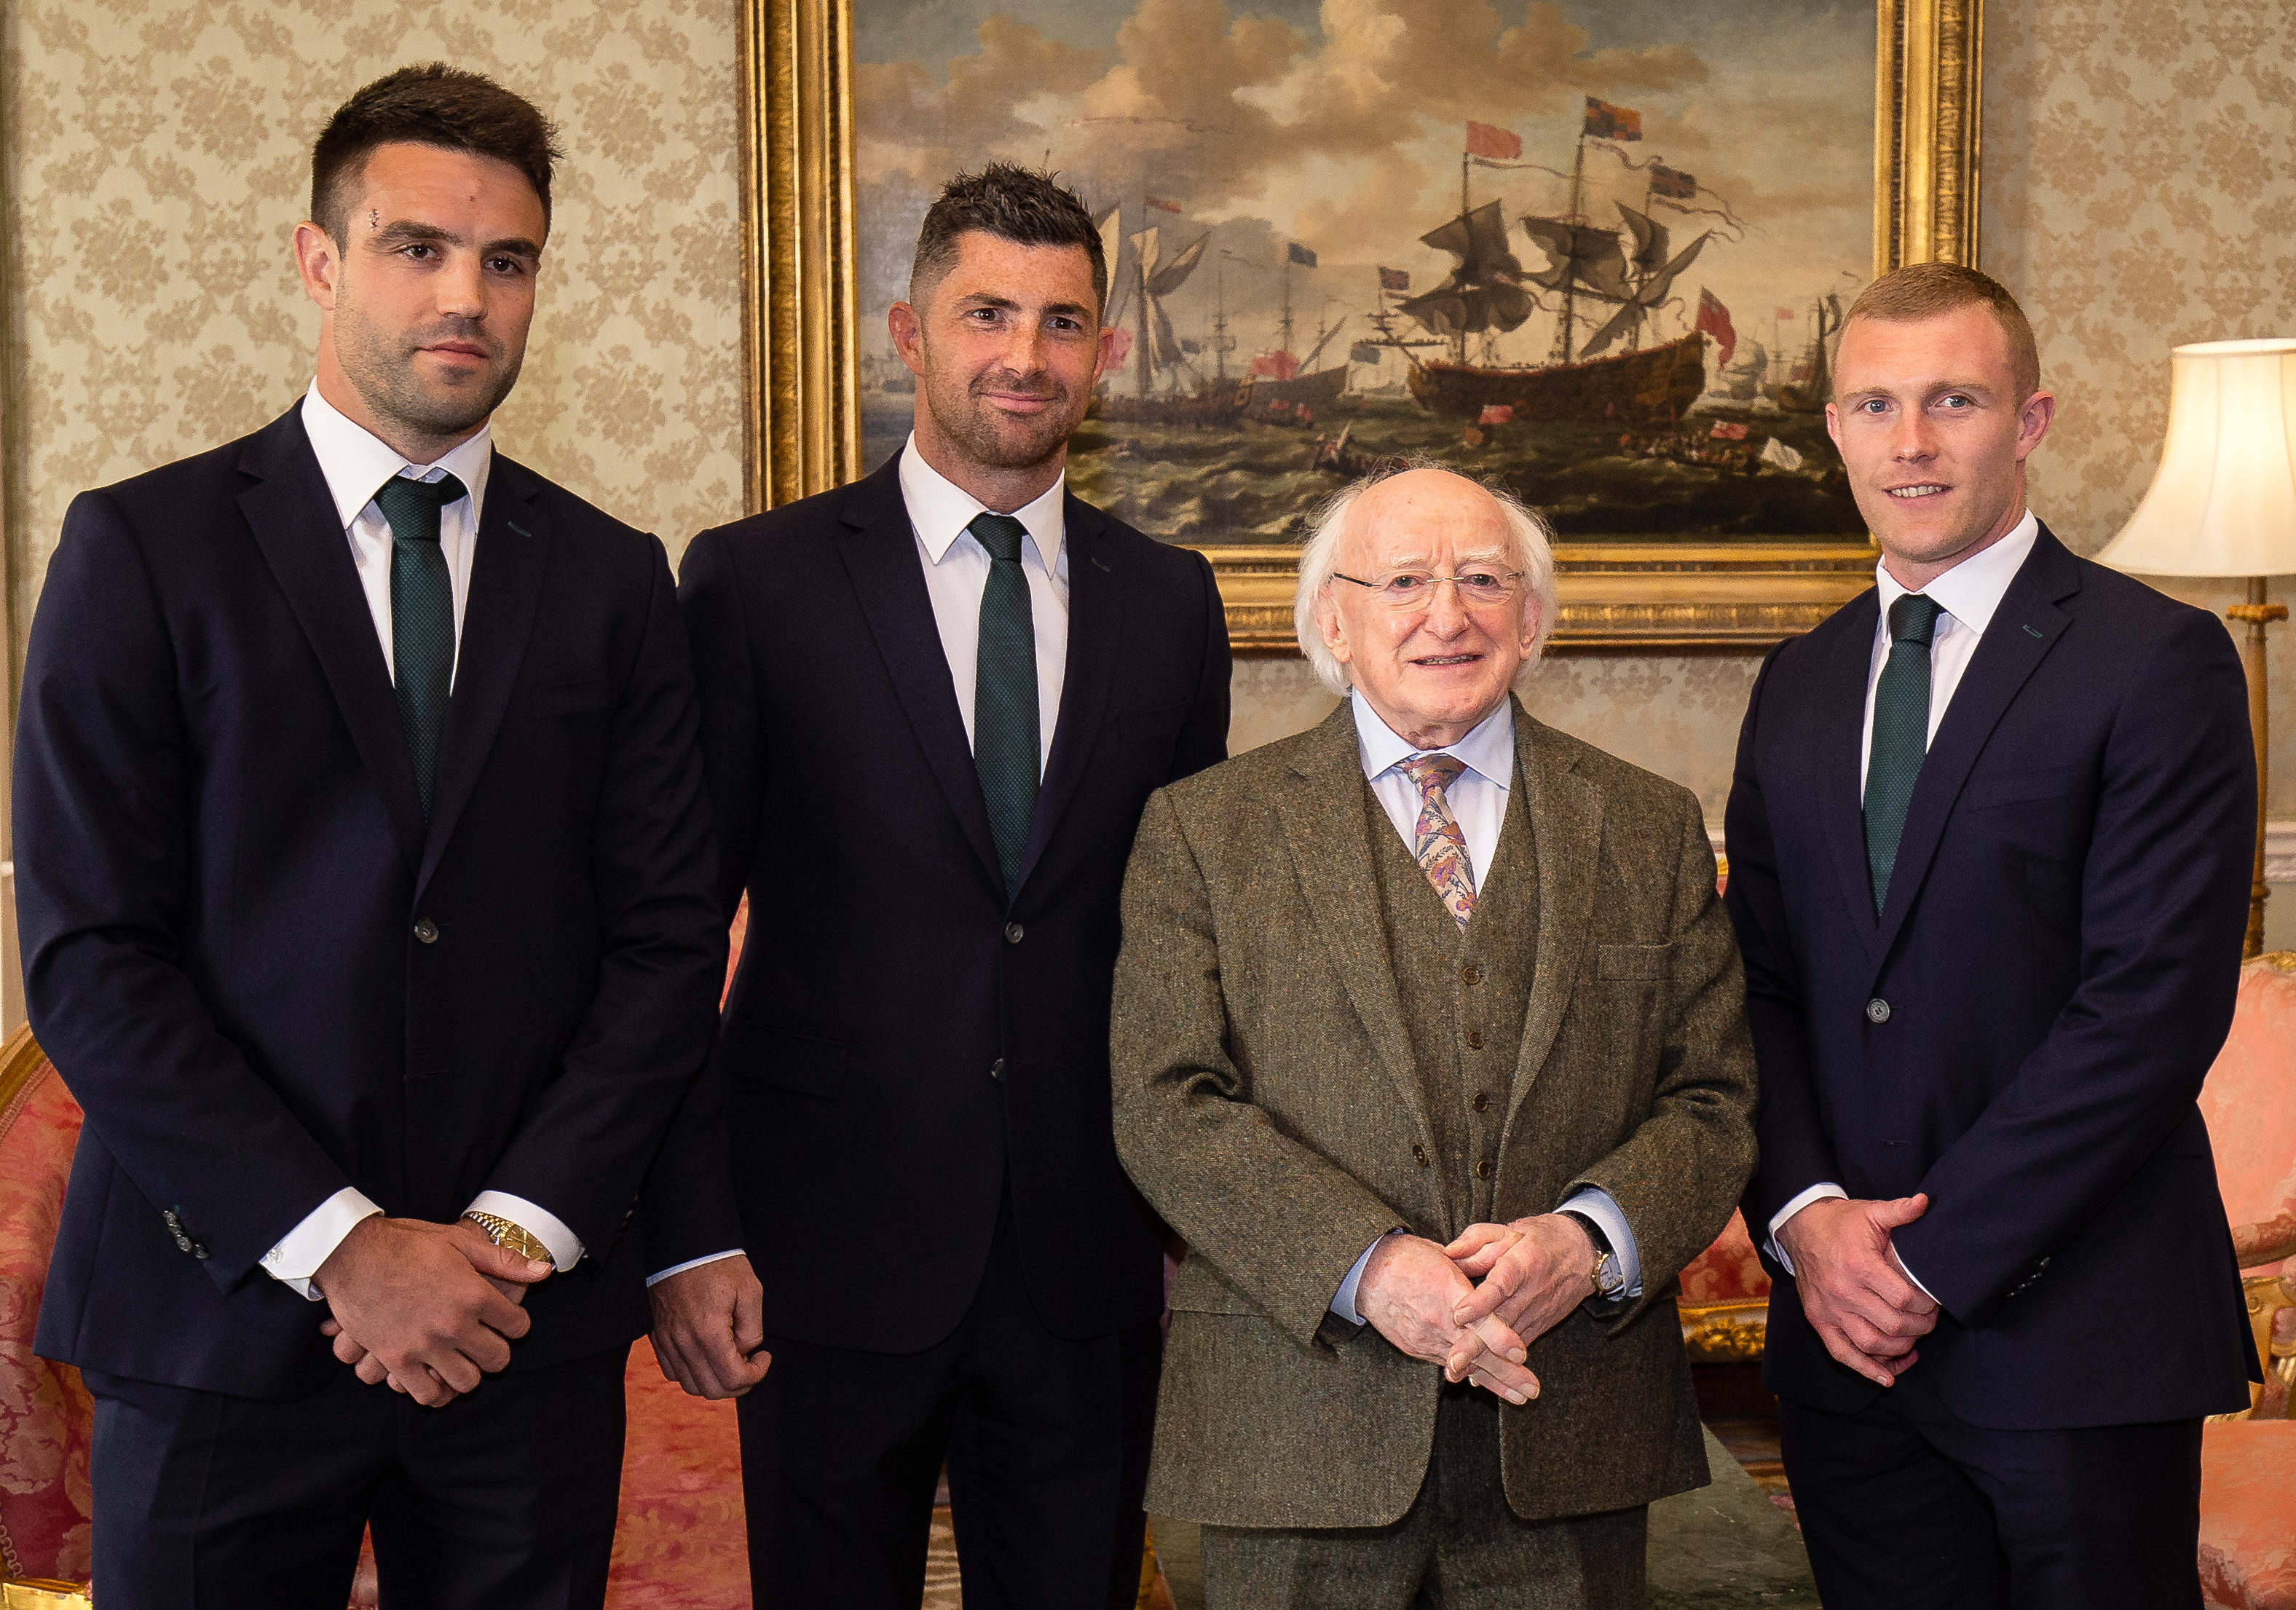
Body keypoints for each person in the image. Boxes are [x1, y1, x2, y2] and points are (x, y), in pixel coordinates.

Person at [12, 65, 724, 1606]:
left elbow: (665, 943)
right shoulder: (141, 549)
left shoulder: (611, 579)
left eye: (508, 260)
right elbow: (89, 956)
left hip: (514, 1335)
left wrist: (505, 1239)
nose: (465, 294)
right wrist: (343, 1245)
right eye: (417, 247)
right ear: (318, 260)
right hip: (218, 1324)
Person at [642, 165, 1231, 1608]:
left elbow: (1188, 933)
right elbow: (663, 933)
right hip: (819, 1249)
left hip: (1085, 1255)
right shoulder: (754, 580)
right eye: (986, 313)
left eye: (1060, 321)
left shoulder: (1171, 600)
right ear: (907, 331)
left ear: (1106, 351)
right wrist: (690, 1226)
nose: (1023, 355)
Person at [1109, 464, 1756, 1609]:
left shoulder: (1648, 827)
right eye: (1403, 580)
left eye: (1482, 580)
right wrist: (1370, 1269)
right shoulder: (1205, 830)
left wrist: (1587, 1241)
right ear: (1333, 621)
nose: (1445, 615)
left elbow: (1712, 1101)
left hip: (1570, 1432)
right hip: (1297, 1429)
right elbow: (1168, 1104)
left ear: (1534, 618)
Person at [1723, 261, 2259, 1609]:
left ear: (2028, 423)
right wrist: (1804, 1223)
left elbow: (2146, 1013)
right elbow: (1755, 991)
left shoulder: (2157, 660)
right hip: (1843, 1346)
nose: (1911, 442)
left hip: (2077, 1339)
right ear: (1834, 430)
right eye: (1875, 405)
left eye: (1952, 401)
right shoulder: (1798, 682)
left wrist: (1924, 1258)